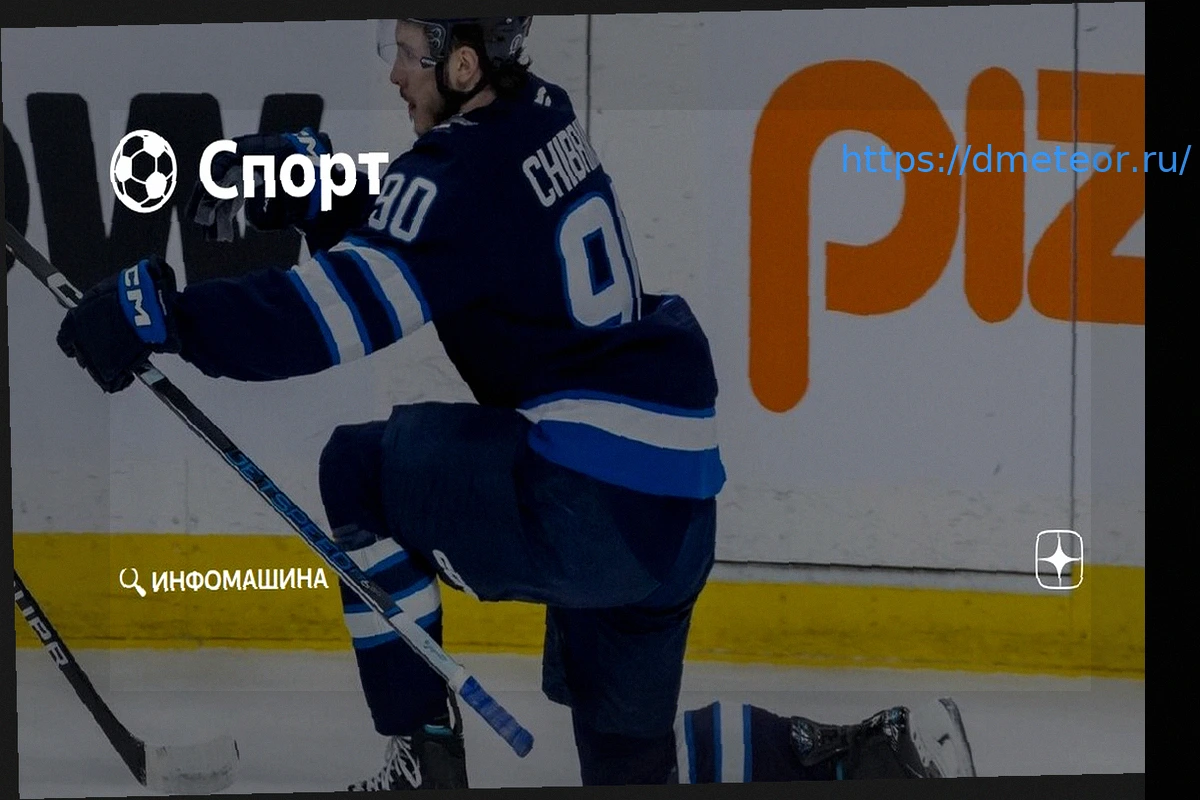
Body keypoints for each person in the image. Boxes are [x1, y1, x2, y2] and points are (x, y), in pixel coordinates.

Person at [55, 16, 976, 789]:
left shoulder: (461, 177)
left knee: (357, 470)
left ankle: (423, 761)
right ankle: (872, 754)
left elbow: (333, 314)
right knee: (632, 771)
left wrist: (161, 316)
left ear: (463, 65)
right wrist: (308, 189)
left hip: (585, 502)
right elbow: (450, 220)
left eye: (409, 52)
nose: (394, 70)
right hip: (675, 510)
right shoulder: (544, 114)